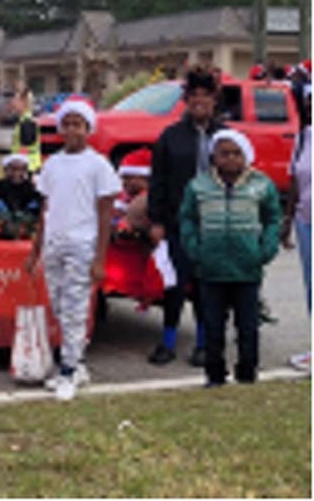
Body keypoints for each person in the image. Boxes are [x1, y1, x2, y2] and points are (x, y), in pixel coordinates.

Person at [26, 99, 120, 401]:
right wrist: (35, 250)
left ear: (88, 129)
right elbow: (45, 210)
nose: (71, 130)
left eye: (77, 125)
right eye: (66, 124)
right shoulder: (52, 165)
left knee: (75, 307)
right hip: (54, 242)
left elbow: (105, 214)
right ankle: (76, 363)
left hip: (82, 243)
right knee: (57, 303)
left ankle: (68, 369)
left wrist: (100, 259)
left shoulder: (98, 165)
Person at [180, 130, 281, 386]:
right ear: (214, 156)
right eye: (224, 153)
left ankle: (247, 373)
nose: (230, 159)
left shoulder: (261, 184)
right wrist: (194, 249)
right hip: (210, 268)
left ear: (246, 156)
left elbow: (272, 218)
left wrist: (265, 249)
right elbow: (187, 218)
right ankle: (215, 374)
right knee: (213, 325)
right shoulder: (198, 185)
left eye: (237, 154)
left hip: (247, 267)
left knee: (247, 326)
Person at [147, 67, 225, 367]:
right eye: (194, 96)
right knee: (174, 286)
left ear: (214, 100)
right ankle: (167, 343)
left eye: (206, 96)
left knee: (207, 286)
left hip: (215, 225)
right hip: (179, 223)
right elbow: (159, 181)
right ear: (186, 100)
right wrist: (156, 221)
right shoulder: (171, 137)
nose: (200, 101)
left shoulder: (225, 137)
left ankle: (204, 345)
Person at [283, 82, 312, 371]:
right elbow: (293, 180)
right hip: (306, 222)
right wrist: (287, 222)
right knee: (311, 287)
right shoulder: (304, 137)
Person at [114, 147, 152, 233]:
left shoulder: (148, 200)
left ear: (144, 177)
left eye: (128, 178)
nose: (124, 182)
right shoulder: (122, 198)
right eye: (123, 178)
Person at [10, 82, 41, 174]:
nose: (12, 103)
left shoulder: (27, 123)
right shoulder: (23, 121)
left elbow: (25, 149)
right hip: (27, 167)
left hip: (28, 168)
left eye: (15, 100)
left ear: (23, 102)